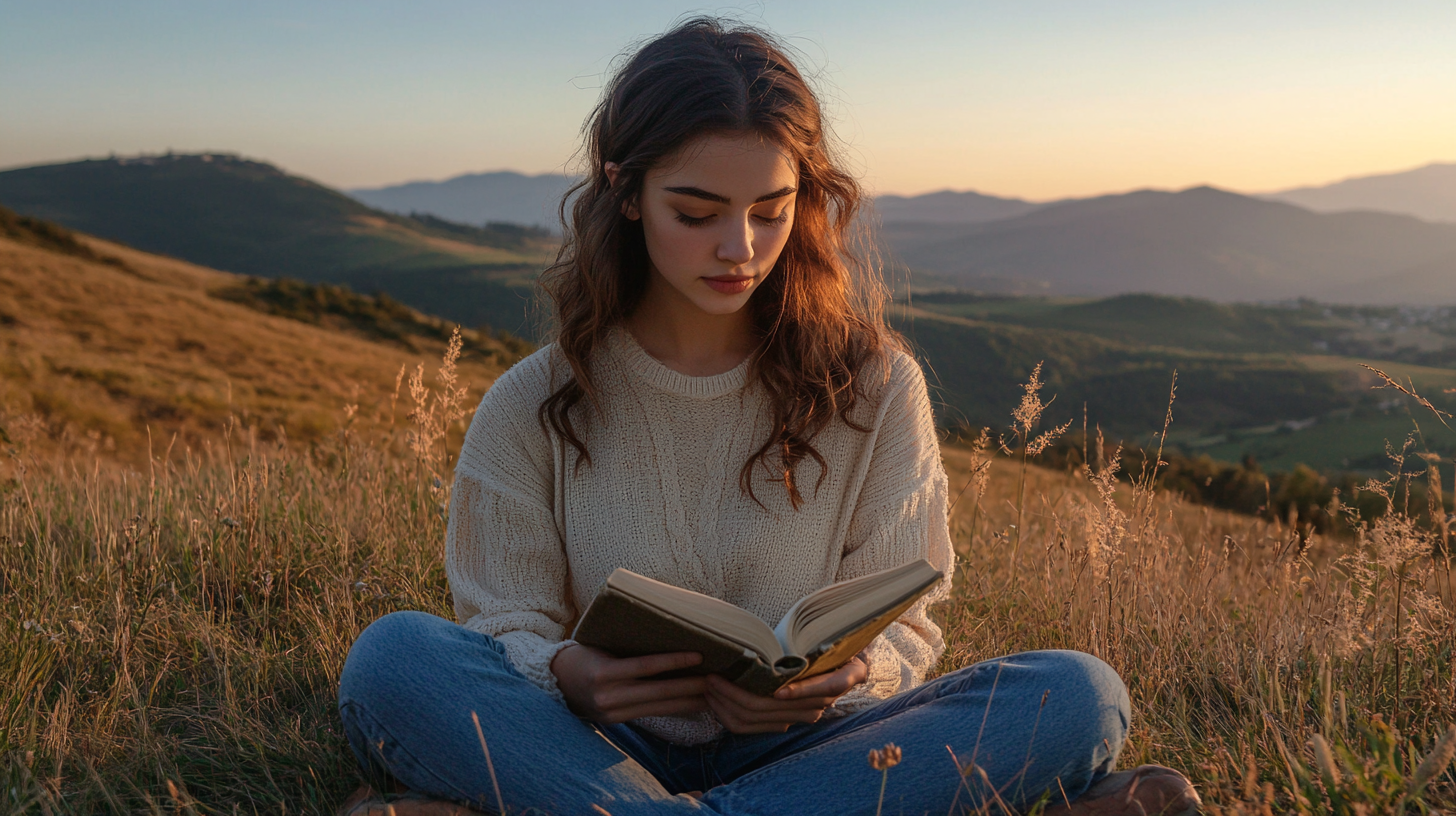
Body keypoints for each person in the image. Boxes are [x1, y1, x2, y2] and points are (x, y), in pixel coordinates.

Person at [335, 17, 1200, 816]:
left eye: (772, 211)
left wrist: (852, 670)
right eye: (697, 212)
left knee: (1079, 694)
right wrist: (568, 672)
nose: (739, 248)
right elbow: (502, 623)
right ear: (626, 193)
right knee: (395, 658)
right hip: (595, 745)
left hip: (819, 743)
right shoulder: (534, 400)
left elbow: (906, 622)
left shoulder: (877, 387)